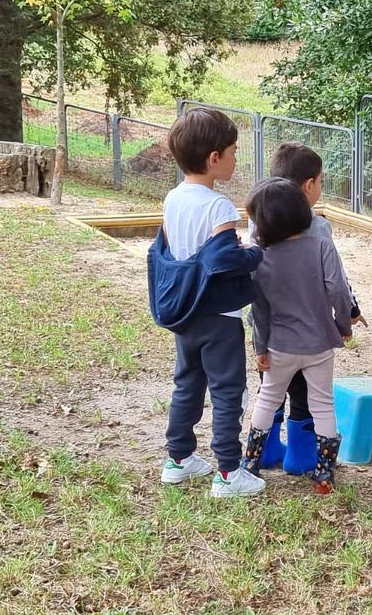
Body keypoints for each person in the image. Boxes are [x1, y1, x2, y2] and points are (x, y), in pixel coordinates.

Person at [149, 108, 265, 498]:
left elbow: (168, 248)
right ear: (214, 158)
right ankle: (229, 473)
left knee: (187, 384)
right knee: (228, 390)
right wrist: (253, 252)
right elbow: (223, 260)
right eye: (233, 152)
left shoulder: (172, 198)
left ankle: (178, 460)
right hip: (219, 316)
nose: (236, 159)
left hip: (185, 312)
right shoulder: (218, 206)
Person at [247, 143, 365, 476]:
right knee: (317, 401)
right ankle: (308, 460)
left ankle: (257, 458)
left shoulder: (259, 231)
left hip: (275, 339)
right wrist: (346, 322)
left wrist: (260, 343)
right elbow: (338, 286)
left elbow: (259, 300)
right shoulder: (320, 232)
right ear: (309, 185)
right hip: (316, 339)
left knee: (268, 395)